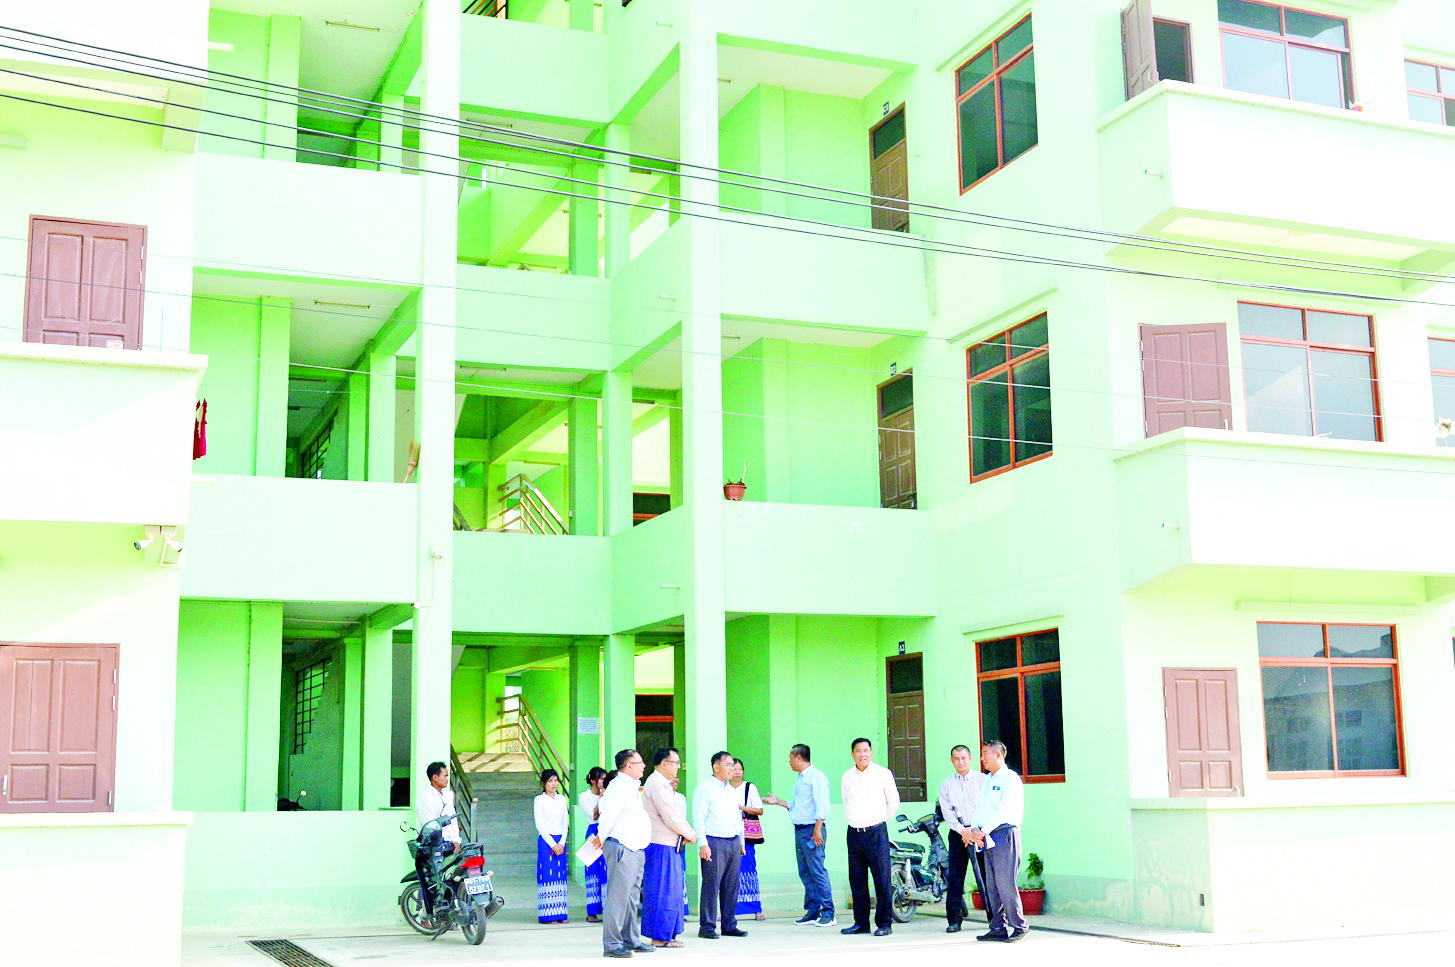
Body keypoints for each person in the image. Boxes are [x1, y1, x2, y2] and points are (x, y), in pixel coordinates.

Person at [591, 749, 655, 958]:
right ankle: (612, 944)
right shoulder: (618, 786)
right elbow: (608, 816)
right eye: (639, 762)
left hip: (635, 848)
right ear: (628, 766)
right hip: (622, 848)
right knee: (618, 899)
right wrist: (601, 837)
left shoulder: (631, 786)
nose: (643, 766)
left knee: (631, 899)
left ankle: (630, 940)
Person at [764, 743, 834, 927]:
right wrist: (777, 802)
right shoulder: (801, 779)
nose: (789, 762)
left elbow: (823, 805)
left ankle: (828, 913)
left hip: (812, 830)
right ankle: (813, 911)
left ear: (799, 757)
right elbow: (799, 805)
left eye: (790, 758)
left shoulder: (816, 777)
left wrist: (817, 830)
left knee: (817, 871)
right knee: (805, 872)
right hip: (801, 830)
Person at [968, 740, 1027, 943]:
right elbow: (980, 808)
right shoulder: (988, 780)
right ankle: (997, 928)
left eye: (986, 753)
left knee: (1005, 883)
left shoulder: (1010, 779)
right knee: (992, 885)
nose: (982, 758)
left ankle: (1019, 926)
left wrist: (982, 831)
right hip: (987, 836)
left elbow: (1005, 810)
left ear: (998, 755)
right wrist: (975, 828)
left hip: (1004, 834)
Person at [839, 737, 899, 937]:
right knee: (857, 880)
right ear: (852, 754)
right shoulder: (847, 776)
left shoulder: (883, 774)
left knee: (882, 879)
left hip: (876, 833)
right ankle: (861, 923)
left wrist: (879, 820)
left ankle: (884, 923)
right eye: (858, 751)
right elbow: (846, 801)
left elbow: (893, 802)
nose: (862, 754)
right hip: (854, 833)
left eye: (866, 751)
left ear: (871, 753)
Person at [641, 748, 696, 947]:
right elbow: (670, 816)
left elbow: (675, 813)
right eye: (676, 763)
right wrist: (690, 833)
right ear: (664, 764)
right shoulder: (656, 783)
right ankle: (659, 937)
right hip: (661, 845)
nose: (679, 767)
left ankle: (668, 935)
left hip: (670, 844)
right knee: (662, 891)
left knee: (672, 891)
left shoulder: (662, 784)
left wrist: (686, 832)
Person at [692, 751, 747, 939]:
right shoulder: (704, 788)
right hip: (714, 842)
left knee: (731, 885)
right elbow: (698, 818)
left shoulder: (730, 790)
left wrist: (741, 842)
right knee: (711, 885)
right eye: (728, 765)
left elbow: (738, 818)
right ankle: (707, 927)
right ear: (716, 767)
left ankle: (729, 925)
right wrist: (703, 844)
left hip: (733, 842)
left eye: (733, 765)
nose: (733, 769)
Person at [938, 745, 986, 934]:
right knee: (955, 877)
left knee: (986, 876)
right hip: (958, 834)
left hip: (981, 834)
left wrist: (975, 831)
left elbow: (987, 807)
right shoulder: (946, 785)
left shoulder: (983, 780)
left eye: (964, 758)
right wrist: (963, 831)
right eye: (956, 759)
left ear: (970, 758)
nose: (960, 762)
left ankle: (995, 918)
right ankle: (954, 920)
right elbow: (947, 813)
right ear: (952, 761)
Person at [414, 760, 460, 917]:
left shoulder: (446, 797)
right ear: (435, 777)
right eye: (445, 776)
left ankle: (447, 916)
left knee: (449, 879)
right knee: (431, 879)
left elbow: (453, 819)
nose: (447, 779)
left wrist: (456, 840)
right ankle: (424, 915)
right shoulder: (426, 799)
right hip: (432, 847)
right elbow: (432, 825)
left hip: (447, 845)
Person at [729, 758, 766, 921]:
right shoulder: (723, 787)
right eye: (734, 769)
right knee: (728, 871)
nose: (737, 772)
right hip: (727, 832)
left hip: (746, 833)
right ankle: (729, 909)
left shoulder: (749, 787)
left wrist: (741, 807)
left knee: (749, 867)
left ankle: (755, 908)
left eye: (740, 769)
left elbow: (759, 810)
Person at [534, 768, 570, 924]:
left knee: (560, 876)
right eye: (550, 781)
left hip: (560, 841)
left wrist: (561, 842)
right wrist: (553, 844)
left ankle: (561, 914)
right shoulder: (539, 800)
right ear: (543, 783)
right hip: (546, 841)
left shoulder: (562, 799)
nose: (554, 784)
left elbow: (565, 822)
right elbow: (540, 824)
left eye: (556, 780)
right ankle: (548, 915)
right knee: (548, 875)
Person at [580, 767, 609, 923]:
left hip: (606, 832)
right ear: (592, 780)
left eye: (605, 779)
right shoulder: (584, 796)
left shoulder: (609, 795)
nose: (603, 782)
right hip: (593, 833)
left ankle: (607, 908)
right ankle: (592, 911)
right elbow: (594, 815)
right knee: (592, 870)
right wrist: (602, 798)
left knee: (606, 869)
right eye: (600, 779)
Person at [671, 777, 690, 919]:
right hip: (663, 841)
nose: (676, 780)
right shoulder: (658, 795)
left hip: (678, 841)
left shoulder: (680, 797)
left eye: (677, 777)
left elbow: (682, 819)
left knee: (679, 874)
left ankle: (680, 911)